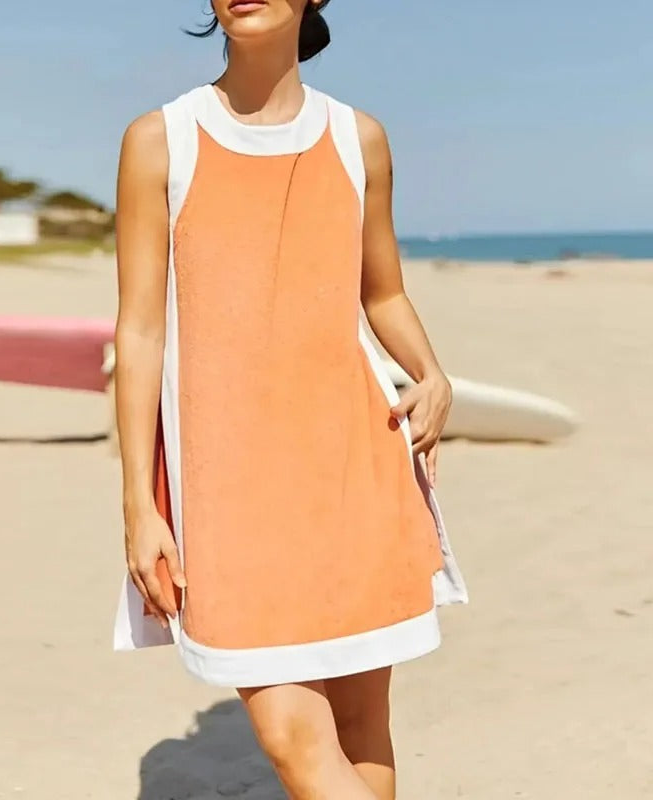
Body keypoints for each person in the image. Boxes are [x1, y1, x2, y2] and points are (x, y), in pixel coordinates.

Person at [112, 2, 467, 798]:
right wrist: (139, 504)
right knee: (291, 737)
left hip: (353, 464)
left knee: (362, 724)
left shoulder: (358, 138)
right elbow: (139, 331)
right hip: (225, 491)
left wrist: (433, 373)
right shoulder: (159, 139)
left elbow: (382, 294)